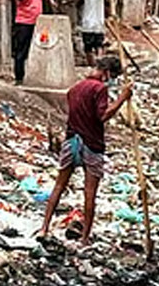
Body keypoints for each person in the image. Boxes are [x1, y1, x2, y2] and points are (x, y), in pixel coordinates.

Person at [39, 56, 133, 245]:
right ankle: (85, 238)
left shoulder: (75, 89)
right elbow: (103, 115)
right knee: (90, 193)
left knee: (59, 186)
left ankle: (44, 227)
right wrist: (122, 99)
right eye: (112, 75)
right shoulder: (100, 89)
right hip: (92, 145)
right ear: (106, 72)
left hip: (71, 142)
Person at [11, 0, 58, 85]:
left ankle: (36, 75)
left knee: (38, 48)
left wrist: (51, 1)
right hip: (23, 22)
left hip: (38, 22)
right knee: (21, 52)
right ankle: (19, 78)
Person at [79, 0, 107, 66]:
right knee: (99, 45)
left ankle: (91, 64)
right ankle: (99, 63)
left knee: (88, 47)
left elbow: (78, 3)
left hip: (87, 25)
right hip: (99, 24)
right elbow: (108, 4)